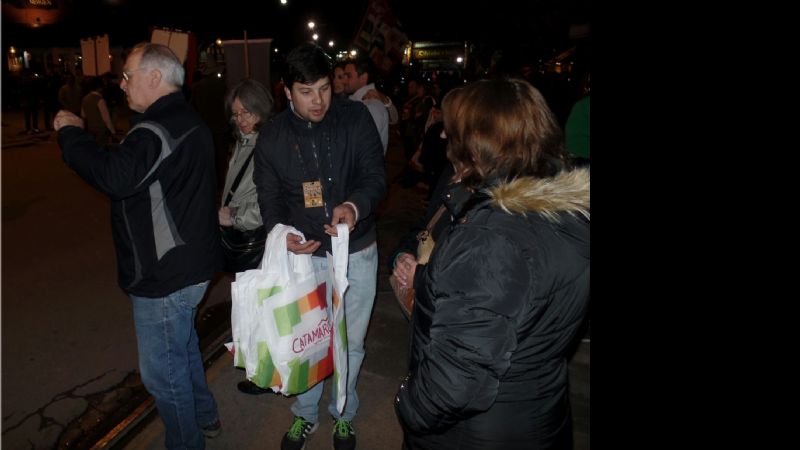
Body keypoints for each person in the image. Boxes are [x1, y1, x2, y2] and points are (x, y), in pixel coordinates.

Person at [394, 78, 590, 450]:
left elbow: (455, 382)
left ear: (479, 144)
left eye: (452, 133)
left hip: (475, 433)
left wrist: (408, 405)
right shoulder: (564, 208)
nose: (442, 139)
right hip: (537, 413)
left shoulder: (493, 238)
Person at [53, 42, 222, 450]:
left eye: (128, 76)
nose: (123, 85)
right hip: (192, 266)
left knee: (164, 377)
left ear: (154, 78)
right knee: (181, 352)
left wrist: (71, 134)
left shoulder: (156, 129)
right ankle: (206, 417)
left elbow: (114, 176)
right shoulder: (187, 120)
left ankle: (187, 442)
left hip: (164, 275)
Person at [253, 43, 386, 450]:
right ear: (287, 91)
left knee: (352, 341)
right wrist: (283, 235)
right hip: (306, 257)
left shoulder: (354, 117)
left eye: (325, 88)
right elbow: (269, 200)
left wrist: (353, 205)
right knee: (309, 340)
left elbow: (375, 176)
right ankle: (305, 415)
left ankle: (343, 412)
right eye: (306, 91)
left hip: (357, 249)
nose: (318, 100)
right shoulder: (273, 136)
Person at [343, 56, 390, 152]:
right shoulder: (356, 101)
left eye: (349, 76)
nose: (344, 81)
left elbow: (364, 150)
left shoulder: (370, 106)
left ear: (363, 78)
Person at [81, 76, 116, 148]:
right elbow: (106, 119)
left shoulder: (85, 99)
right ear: (99, 88)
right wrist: (113, 131)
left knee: (93, 150)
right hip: (101, 131)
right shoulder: (100, 100)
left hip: (90, 129)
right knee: (101, 150)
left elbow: (83, 115)